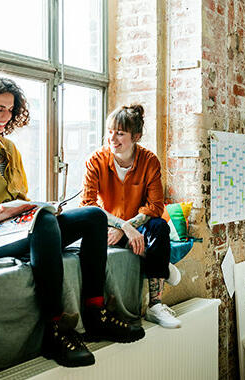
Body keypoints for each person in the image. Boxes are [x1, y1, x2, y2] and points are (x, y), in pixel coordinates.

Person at [0, 76, 144, 369]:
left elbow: (18, 197)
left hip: (8, 228)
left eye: (10, 110)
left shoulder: (8, 148)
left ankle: (96, 314)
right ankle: (54, 329)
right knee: (42, 223)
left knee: (93, 216)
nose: (5, 117)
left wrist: (33, 208)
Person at [81, 104, 182, 329]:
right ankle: (162, 265)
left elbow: (155, 206)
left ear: (135, 136)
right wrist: (120, 226)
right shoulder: (95, 161)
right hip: (109, 226)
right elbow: (87, 204)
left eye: (120, 133)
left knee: (159, 227)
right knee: (94, 231)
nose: (112, 139)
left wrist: (127, 226)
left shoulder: (149, 161)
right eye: (109, 131)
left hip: (140, 226)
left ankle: (155, 306)